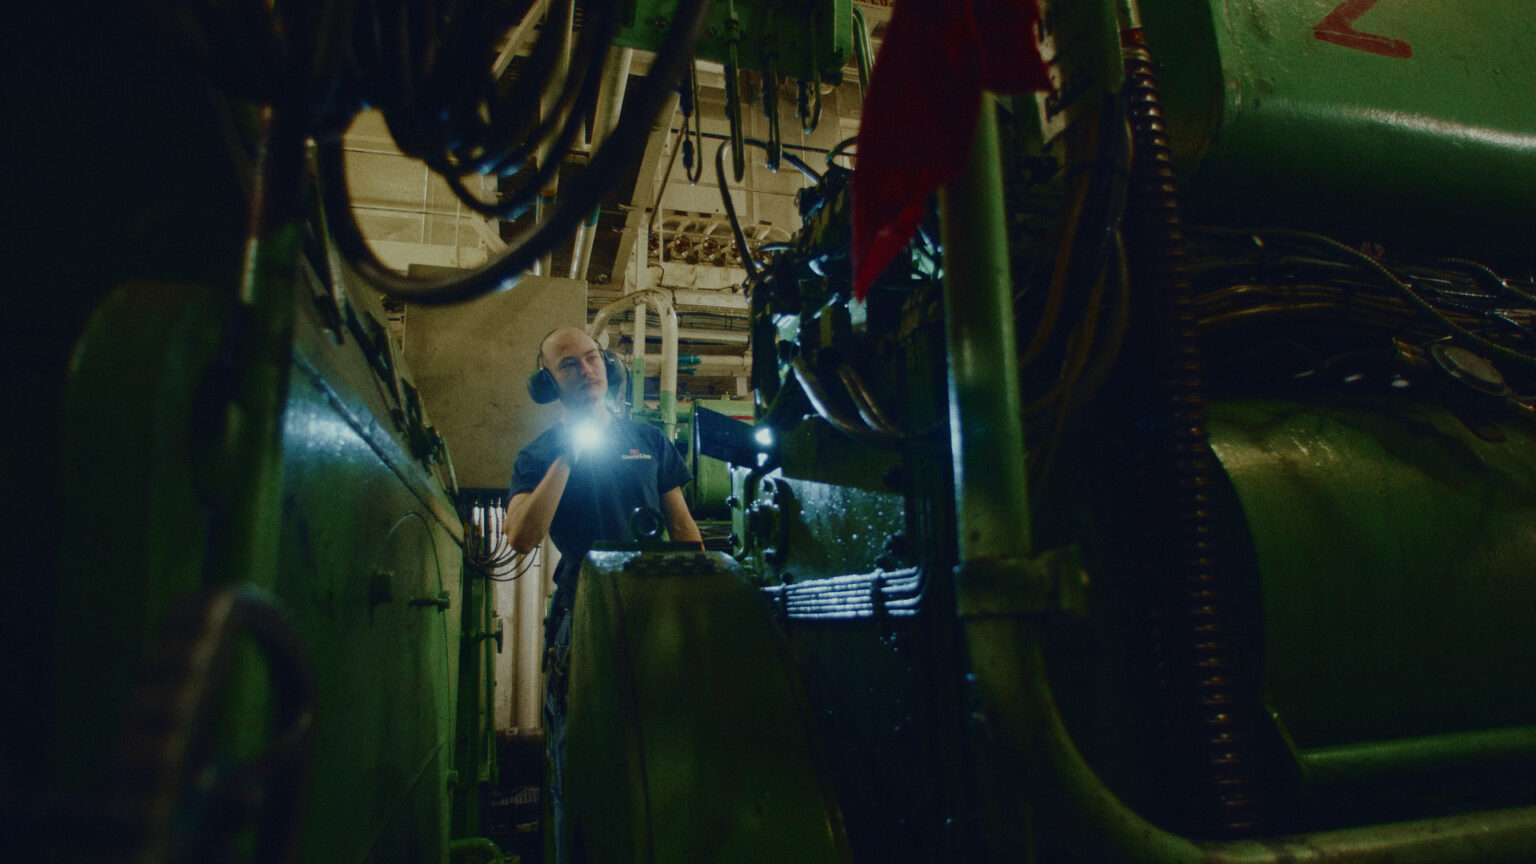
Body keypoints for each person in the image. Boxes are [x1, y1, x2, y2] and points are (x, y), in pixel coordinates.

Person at [502, 325, 701, 859]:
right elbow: (520, 537)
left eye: (592, 358)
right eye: (569, 365)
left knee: (666, 755)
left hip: (655, 612)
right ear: (548, 382)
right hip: (584, 615)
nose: (586, 371)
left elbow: (684, 529)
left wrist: (696, 604)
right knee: (582, 766)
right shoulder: (538, 454)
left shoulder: (650, 441)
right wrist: (568, 456)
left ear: (608, 365)